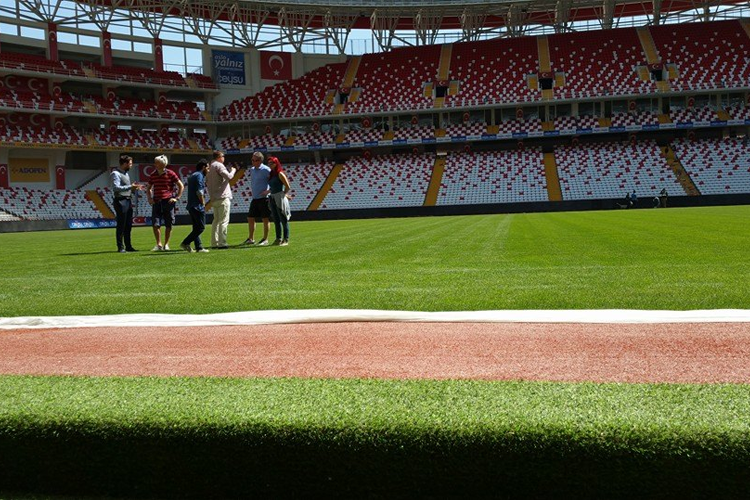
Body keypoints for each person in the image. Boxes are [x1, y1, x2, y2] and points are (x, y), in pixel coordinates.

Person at [146, 154, 184, 251]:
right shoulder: (153, 175)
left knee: (169, 223)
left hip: (168, 201)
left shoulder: (171, 173)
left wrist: (177, 197)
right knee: (155, 223)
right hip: (156, 201)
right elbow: (148, 188)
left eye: (157, 162)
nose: (155, 164)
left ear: (163, 164)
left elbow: (181, 185)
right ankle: (158, 244)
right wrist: (149, 198)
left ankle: (166, 244)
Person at [110, 153, 143, 253]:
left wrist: (135, 188)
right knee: (121, 224)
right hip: (121, 201)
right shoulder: (115, 174)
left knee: (128, 225)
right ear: (124, 163)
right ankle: (120, 247)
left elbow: (127, 188)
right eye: (130, 163)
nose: (131, 165)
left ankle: (128, 246)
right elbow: (116, 188)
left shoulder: (126, 174)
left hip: (128, 200)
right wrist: (130, 187)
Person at [205, 150, 236, 249]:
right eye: (223, 156)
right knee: (223, 221)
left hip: (214, 198)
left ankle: (214, 243)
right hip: (222, 197)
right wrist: (233, 170)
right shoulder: (219, 165)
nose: (224, 158)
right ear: (219, 157)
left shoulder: (210, 167)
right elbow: (229, 177)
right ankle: (222, 243)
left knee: (216, 221)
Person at [180, 159, 210, 253]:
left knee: (196, 227)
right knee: (201, 227)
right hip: (197, 206)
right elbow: (199, 191)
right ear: (204, 167)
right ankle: (186, 242)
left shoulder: (193, 175)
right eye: (208, 168)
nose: (208, 170)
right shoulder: (199, 176)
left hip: (191, 205)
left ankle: (199, 247)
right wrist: (203, 202)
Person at [243, 152, 272, 246]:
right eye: (252, 160)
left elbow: (274, 181)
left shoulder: (266, 170)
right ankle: (251, 238)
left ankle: (265, 239)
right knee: (250, 218)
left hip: (264, 198)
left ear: (260, 160)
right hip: (255, 198)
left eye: (255, 160)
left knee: (265, 219)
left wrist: (268, 191)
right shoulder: (252, 170)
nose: (253, 162)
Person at [267, 156, 292, 246]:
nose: (270, 165)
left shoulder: (280, 174)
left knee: (283, 219)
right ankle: (278, 238)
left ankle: (285, 239)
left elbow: (287, 186)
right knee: (276, 220)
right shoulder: (271, 174)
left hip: (279, 197)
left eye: (272, 163)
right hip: (272, 197)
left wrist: (283, 194)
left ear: (276, 163)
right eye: (269, 163)